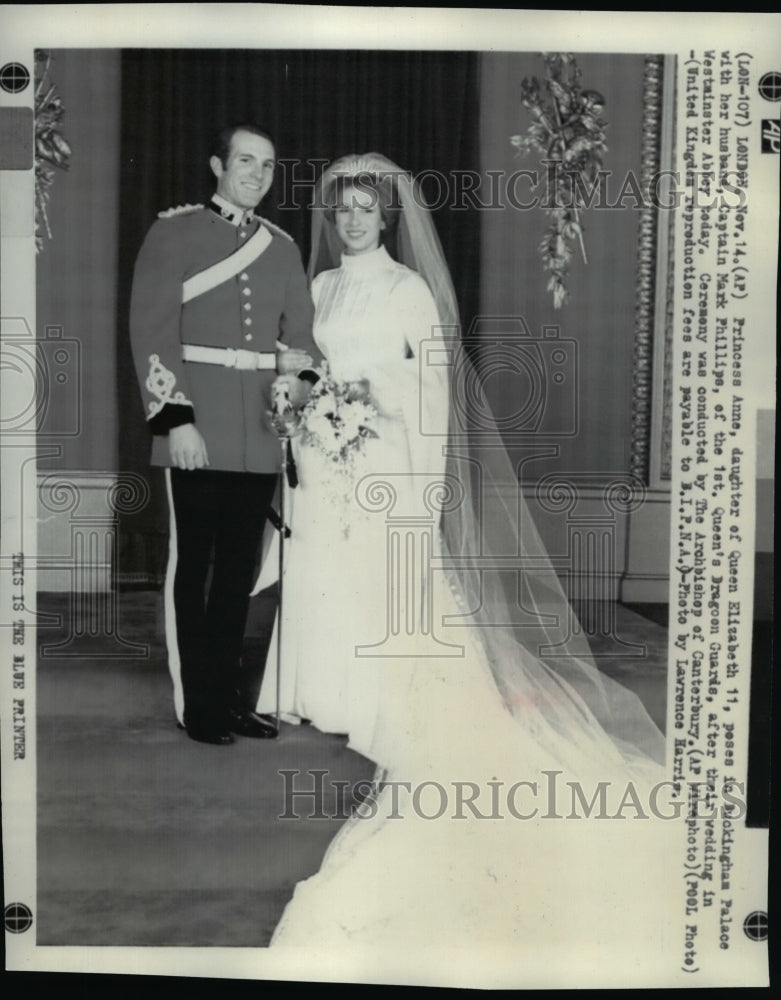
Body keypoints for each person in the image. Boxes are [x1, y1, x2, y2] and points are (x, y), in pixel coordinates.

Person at [261, 154, 679, 970]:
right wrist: (303, 405)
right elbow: (304, 366)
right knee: (326, 579)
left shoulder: (406, 290)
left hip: (389, 463)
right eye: (340, 210)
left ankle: (380, 698)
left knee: (386, 586)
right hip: (327, 462)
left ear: (386, 220)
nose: (351, 223)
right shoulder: (317, 289)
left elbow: (432, 394)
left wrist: (412, 474)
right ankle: (321, 691)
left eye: (364, 212)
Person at [130, 123, 319, 746]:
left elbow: (302, 341)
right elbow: (152, 330)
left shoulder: (283, 247)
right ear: (218, 164)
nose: (257, 174)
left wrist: (296, 388)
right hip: (198, 428)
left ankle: (232, 700)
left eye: (266, 165)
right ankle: (200, 705)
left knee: (238, 573)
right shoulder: (174, 232)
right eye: (245, 160)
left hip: (260, 434)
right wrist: (176, 419)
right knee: (197, 570)